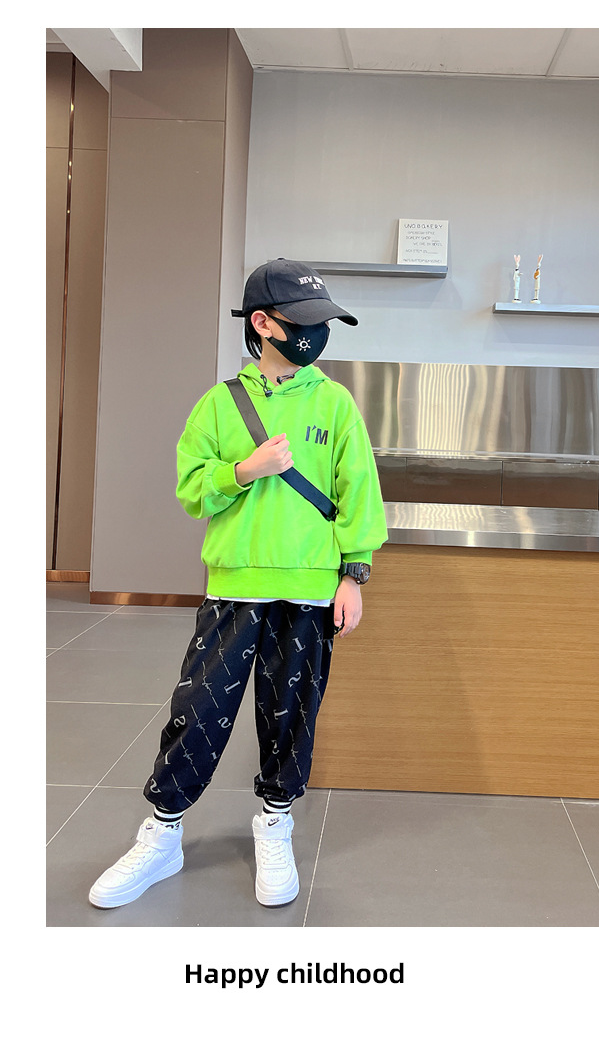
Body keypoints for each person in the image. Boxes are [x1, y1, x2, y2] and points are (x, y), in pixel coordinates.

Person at [89, 259, 387, 909]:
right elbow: (192, 489)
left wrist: (354, 574)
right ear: (263, 324)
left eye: (322, 323)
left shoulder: (335, 404)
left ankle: (275, 823)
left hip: (310, 592)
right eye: (304, 322)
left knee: (292, 711)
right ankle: (163, 832)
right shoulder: (220, 404)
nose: (316, 335)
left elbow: (358, 493)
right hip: (234, 589)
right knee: (199, 709)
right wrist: (245, 469)